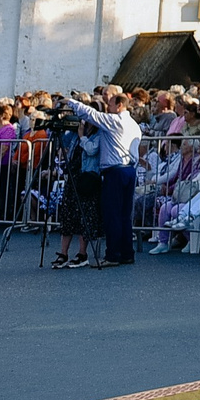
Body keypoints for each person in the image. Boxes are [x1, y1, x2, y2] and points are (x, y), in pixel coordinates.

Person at [62, 86, 142, 269]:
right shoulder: (134, 125)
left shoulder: (116, 121)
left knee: (112, 214)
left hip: (115, 171)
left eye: (111, 104)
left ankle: (113, 255)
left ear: (120, 105)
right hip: (129, 170)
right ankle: (127, 253)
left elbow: (93, 115)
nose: (108, 107)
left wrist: (72, 103)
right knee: (124, 215)